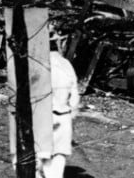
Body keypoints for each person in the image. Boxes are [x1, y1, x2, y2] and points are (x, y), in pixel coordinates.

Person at [40, 31, 80, 178]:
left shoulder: (37, 64)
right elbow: (74, 95)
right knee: (58, 157)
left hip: (43, 116)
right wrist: (71, 114)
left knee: (41, 158)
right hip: (63, 116)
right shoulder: (66, 64)